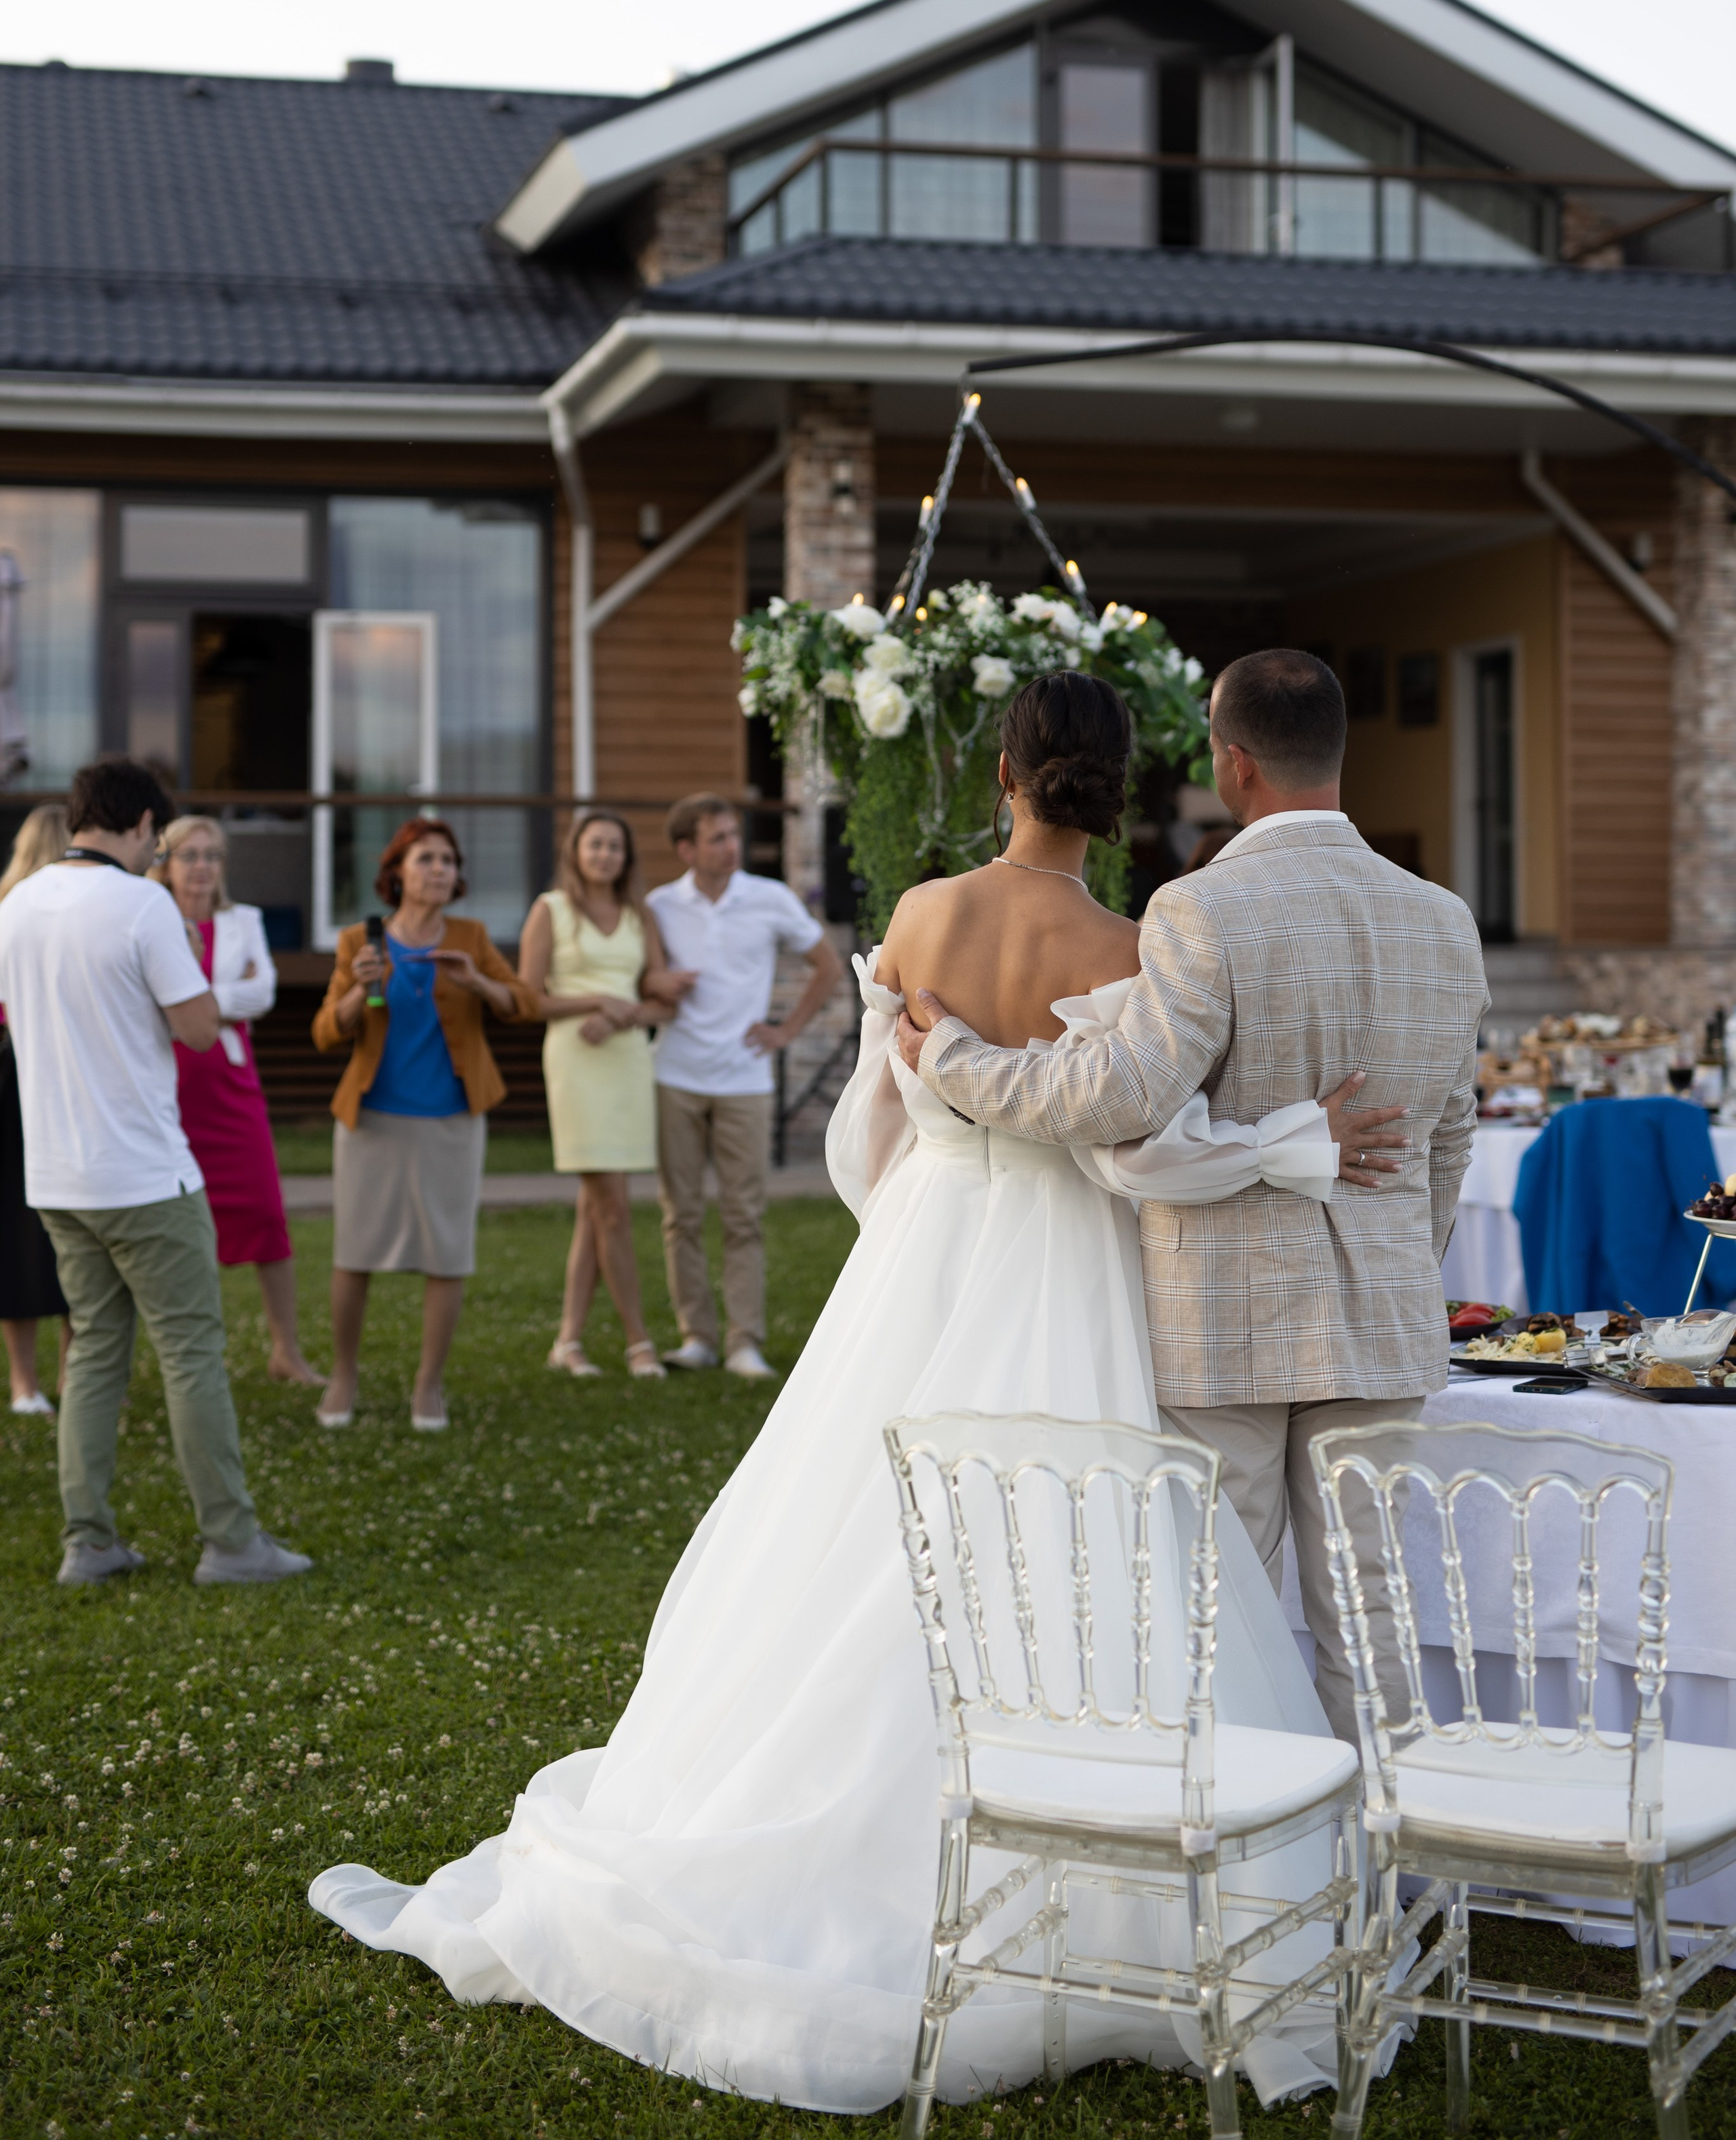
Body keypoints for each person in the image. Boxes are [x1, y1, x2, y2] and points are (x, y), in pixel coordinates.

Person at [309, 675, 1401, 2114]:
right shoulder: (1130, 944)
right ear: (1119, 789)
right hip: (1072, 1269)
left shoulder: (923, 919)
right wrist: (1282, 1147)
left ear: (1004, 772)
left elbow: (859, 1138)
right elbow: (1139, 1154)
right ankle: (1122, 1875)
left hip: (927, 1250)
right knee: (1082, 1557)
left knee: (858, 1542)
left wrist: (913, 1211)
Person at [903, 648, 1486, 1746]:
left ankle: (1258, 1877)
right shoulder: (1445, 919)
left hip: (1226, 1321)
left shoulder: (1201, 909)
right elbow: (1447, 1134)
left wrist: (957, 1064)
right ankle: (1401, 1882)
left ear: (1232, 764)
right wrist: (1402, 1255)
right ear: (1336, 753)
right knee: (1374, 1619)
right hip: (1382, 1322)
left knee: (1226, 1625)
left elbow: (1120, 1093)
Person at [0, 757, 311, 1586]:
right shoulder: (144, 903)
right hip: (144, 1173)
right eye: (157, 840)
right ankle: (233, 1543)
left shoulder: (19, 902)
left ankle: (88, 1542)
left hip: (57, 1175)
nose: (157, 853)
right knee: (191, 1354)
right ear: (141, 825)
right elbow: (203, 1028)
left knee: (96, 1352)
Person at [313, 818, 538, 1433]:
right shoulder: (361, 938)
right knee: (353, 1255)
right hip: (372, 1123)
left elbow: (524, 1004)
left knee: (447, 1256)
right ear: (397, 873)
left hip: (451, 1124)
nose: (440, 870)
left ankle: (428, 1386)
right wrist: (360, 992)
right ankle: (343, 1377)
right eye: (426, 860)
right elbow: (326, 1032)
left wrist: (479, 982)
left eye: (448, 861)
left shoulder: (471, 935)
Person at [646, 794, 843, 1379]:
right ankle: (696, 1338)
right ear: (687, 849)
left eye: (734, 835)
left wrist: (786, 1032)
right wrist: (657, 981)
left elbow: (829, 966)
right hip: (674, 1075)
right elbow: (642, 977)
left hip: (745, 1080)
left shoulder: (770, 898)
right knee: (678, 1215)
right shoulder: (659, 906)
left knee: (744, 1215)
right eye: (718, 838)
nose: (732, 846)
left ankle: (743, 1344)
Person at [519, 809, 694, 1382]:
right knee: (613, 1209)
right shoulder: (550, 910)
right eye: (595, 845)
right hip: (575, 1060)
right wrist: (596, 1002)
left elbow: (663, 1004)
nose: (604, 855)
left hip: (624, 1060)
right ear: (575, 851)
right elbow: (528, 998)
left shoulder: (638, 915)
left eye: (615, 847)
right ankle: (638, 1342)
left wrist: (623, 1016)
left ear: (626, 857)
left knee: (596, 1210)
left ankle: (568, 1341)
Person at [151, 816, 321, 1386]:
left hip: (231, 1088)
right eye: (190, 855)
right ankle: (162, 1360)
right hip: (163, 1090)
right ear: (167, 863)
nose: (202, 867)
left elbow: (263, 993)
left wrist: (188, 1000)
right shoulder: (150, 918)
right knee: (159, 1228)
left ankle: (286, 1352)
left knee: (267, 1215)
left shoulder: (242, 920)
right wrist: (221, 997)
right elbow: (140, 999)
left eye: (212, 856)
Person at [0, 806, 71, 1415]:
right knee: (68, 1227)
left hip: (16, 1079)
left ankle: (27, 1384)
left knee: (20, 1232)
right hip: (45, 1077)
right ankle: (75, 1375)